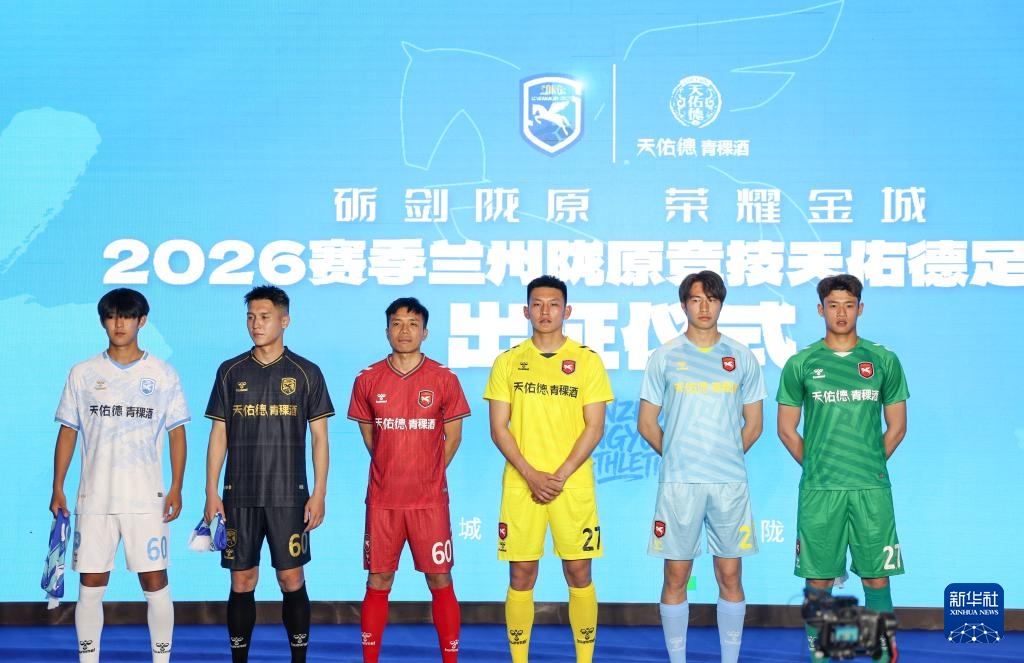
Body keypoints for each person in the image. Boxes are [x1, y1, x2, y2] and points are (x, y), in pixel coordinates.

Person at [50, 288, 189, 663]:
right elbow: (68, 431)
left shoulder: (162, 373)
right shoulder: (83, 373)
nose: (119, 324)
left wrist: (176, 486)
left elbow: (177, 432)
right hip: (95, 498)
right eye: (112, 316)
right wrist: (58, 487)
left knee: (155, 581)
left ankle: (161, 659)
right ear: (103, 321)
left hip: (146, 499)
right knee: (90, 584)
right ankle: (88, 658)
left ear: (142, 321)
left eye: (127, 316)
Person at [776, 274, 909, 662]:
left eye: (848, 305)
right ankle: (822, 656)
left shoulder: (883, 360)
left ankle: (881, 654)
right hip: (820, 490)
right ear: (821, 310)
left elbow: (897, 427)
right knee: (818, 580)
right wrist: (819, 467)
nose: (841, 313)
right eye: (833, 305)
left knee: (877, 577)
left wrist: (867, 464)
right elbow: (787, 430)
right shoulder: (801, 363)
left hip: (870, 489)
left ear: (860, 309)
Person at [637, 271, 766, 663]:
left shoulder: (741, 357)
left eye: (712, 299)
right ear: (684, 305)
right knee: (676, 576)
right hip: (680, 484)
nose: (704, 307)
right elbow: (647, 424)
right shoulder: (664, 357)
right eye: (696, 299)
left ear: (721, 303)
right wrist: (680, 457)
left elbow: (754, 425)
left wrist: (722, 456)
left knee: (730, 575)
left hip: (729, 483)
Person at [484, 275, 614, 663]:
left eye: (553, 304)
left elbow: (595, 426)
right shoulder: (508, 362)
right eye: (537, 304)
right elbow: (498, 428)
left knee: (579, 571)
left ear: (566, 311)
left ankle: (585, 659)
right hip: (521, 484)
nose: (545, 311)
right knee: (521, 574)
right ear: (526, 311)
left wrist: (560, 475)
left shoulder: (588, 361)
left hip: (572, 485)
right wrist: (531, 474)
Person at [204, 285, 334, 663]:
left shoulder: (306, 372)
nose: (256, 324)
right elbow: (218, 435)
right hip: (239, 495)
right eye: (250, 317)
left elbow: (320, 438)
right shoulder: (230, 371)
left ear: (284, 320)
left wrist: (319, 492)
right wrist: (211, 491)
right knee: (242, 580)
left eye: (264, 317)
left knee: (291, 579)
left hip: (289, 496)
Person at [348, 297, 470, 663]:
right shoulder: (367, 379)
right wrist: (392, 467)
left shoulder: (444, 378)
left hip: (429, 502)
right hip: (383, 501)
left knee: (440, 579)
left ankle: (450, 659)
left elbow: (454, 437)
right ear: (387, 330)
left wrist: (429, 474)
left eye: (413, 324)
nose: (404, 331)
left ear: (425, 332)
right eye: (397, 323)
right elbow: (371, 438)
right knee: (378, 580)